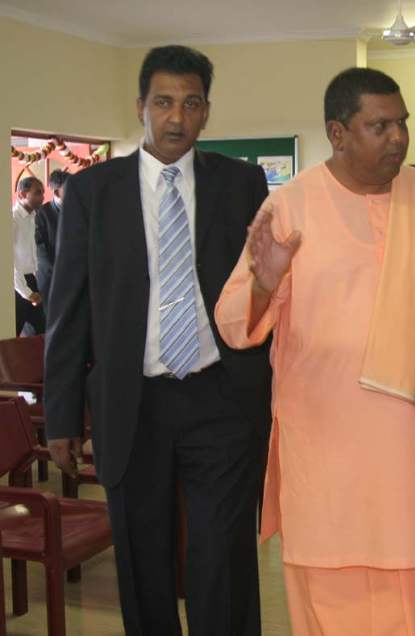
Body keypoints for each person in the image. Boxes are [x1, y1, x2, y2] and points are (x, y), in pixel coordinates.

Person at [214, 67, 415, 635]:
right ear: (337, 133)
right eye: (380, 126)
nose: (398, 137)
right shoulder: (290, 206)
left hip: (405, 438)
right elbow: (233, 326)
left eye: (402, 123)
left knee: (406, 581)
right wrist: (264, 284)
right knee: (324, 583)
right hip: (322, 440)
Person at [44, 45, 270, 635]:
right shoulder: (92, 192)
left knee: (222, 554)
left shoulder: (241, 183)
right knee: (142, 556)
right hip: (132, 402)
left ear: (207, 111)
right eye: (164, 102)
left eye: (191, 104)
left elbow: (266, 292)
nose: (177, 117)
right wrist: (61, 416)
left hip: (221, 397)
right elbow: (69, 310)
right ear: (140, 106)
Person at [12, 176, 45, 336]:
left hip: (30, 280)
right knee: (11, 334)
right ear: (22, 195)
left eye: (42, 192)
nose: (42, 197)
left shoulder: (32, 217)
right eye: (37, 193)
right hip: (16, 284)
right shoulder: (12, 219)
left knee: (40, 332)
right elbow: (8, 263)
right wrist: (26, 292)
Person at [35, 169, 70, 312]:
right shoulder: (42, 213)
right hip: (51, 275)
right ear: (56, 192)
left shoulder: (78, 209)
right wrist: (55, 271)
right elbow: (39, 246)